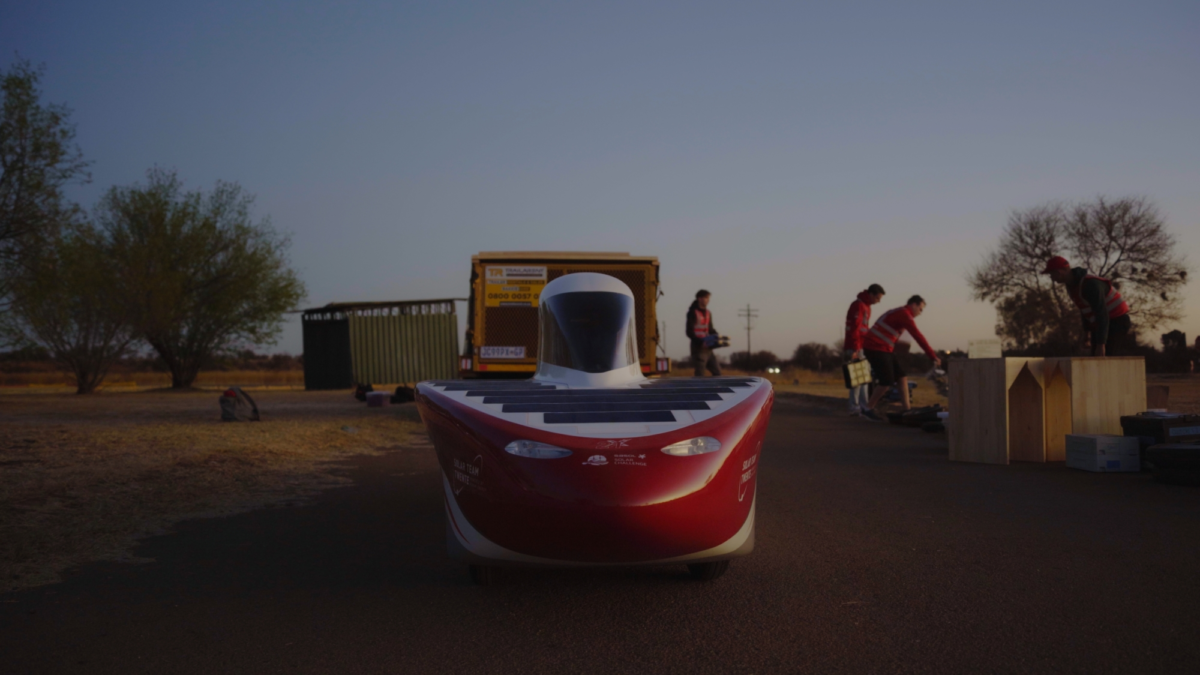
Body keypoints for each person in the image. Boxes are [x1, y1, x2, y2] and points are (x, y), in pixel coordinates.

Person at [859, 295, 941, 420]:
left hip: (883, 348)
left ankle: (906, 410)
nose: (920, 313)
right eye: (920, 309)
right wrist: (932, 356)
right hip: (876, 348)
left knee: (902, 376)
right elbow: (918, 336)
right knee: (886, 381)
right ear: (914, 305)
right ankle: (867, 409)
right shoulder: (905, 315)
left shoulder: (899, 312)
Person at [1042, 256, 1133, 356]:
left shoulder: (1090, 284)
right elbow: (1085, 309)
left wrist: (1101, 345)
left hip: (1117, 322)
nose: (1051, 277)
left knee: (1105, 358)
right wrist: (1087, 333)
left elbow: (1102, 314)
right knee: (1095, 359)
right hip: (1101, 324)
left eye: (1051, 274)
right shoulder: (1072, 286)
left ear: (1059, 272)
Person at [844, 284, 886, 416]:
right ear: (871, 294)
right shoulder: (859, 305)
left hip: (862, 346)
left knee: (864, 379)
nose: (878, 301)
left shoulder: (865, 306)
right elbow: (855, 328)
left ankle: (863, 406)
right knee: (858, 379)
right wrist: (856, 348)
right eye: (878, 298)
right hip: (856, 347)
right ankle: (855, 407)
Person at [686, 289, 721, 377]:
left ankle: (714, 390)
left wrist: (718, 336)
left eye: (708, 298)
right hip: (698, 348)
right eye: (706, 298)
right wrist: (700, 342)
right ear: (699, 298)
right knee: (700, 375)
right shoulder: (692, 312)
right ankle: (698, 390)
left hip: (708, 347)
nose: (708, 300)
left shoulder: (708, 313)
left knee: (717, 373)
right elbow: (689, 331)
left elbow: (710, 329)